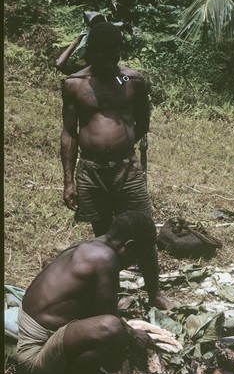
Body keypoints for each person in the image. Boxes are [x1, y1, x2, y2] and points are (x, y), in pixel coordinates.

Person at [60, 21, 172, 310]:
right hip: (92, 172)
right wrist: (69, 181)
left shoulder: (133, 82)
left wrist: (122, 144)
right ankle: (108, 294)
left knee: (144, 229)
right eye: (101, 55)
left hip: (126, 169)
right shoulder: (74, 84)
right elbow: (70, 133)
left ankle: (154, 292)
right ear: (91, 52)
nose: (108, 62)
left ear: (119, 53)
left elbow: (142, 123)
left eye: (113, 55)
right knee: (104, 235)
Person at [16, 211, 159, 374]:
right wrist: (133, 336)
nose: (133, 264)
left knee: (114, 332)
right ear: (129, 247)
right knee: (113, 330)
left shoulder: (90, 246)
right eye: (137, 258)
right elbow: (108, 322)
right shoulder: (105, 258)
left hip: (29, 329)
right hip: (36, 355)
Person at [55, 11, 108, 76]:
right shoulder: (116, 74)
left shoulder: (82, 74)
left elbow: (60, 64)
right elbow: (60, 64)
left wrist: (75, 42)